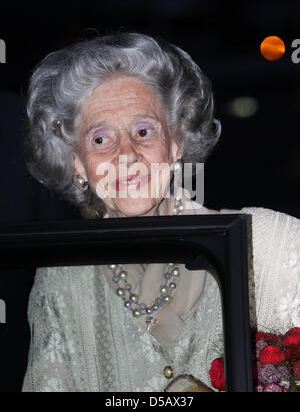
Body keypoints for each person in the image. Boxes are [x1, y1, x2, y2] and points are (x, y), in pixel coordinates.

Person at [22, 31, 300, 392]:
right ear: (76, 161)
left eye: (143, 130)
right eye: (101, 139)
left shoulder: (272, 245)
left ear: (176, 140)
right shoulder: (61, 280)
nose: (126, 155)